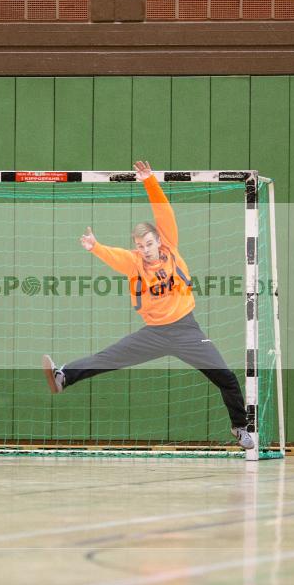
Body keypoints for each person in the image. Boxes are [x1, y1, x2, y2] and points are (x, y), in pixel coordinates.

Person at [42, 160, 254, 450]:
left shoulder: (170, 247)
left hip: (186, 330)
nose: (146, 250)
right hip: (154, 333)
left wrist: (149, 182)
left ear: (158, 241)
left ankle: (240, 428)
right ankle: (63, 376)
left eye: (149, 244)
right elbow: (116, 256)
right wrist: (96, 247)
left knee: (226, 377)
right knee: (108, 357)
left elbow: (163, 212)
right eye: (140, 246)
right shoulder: (134, 263)